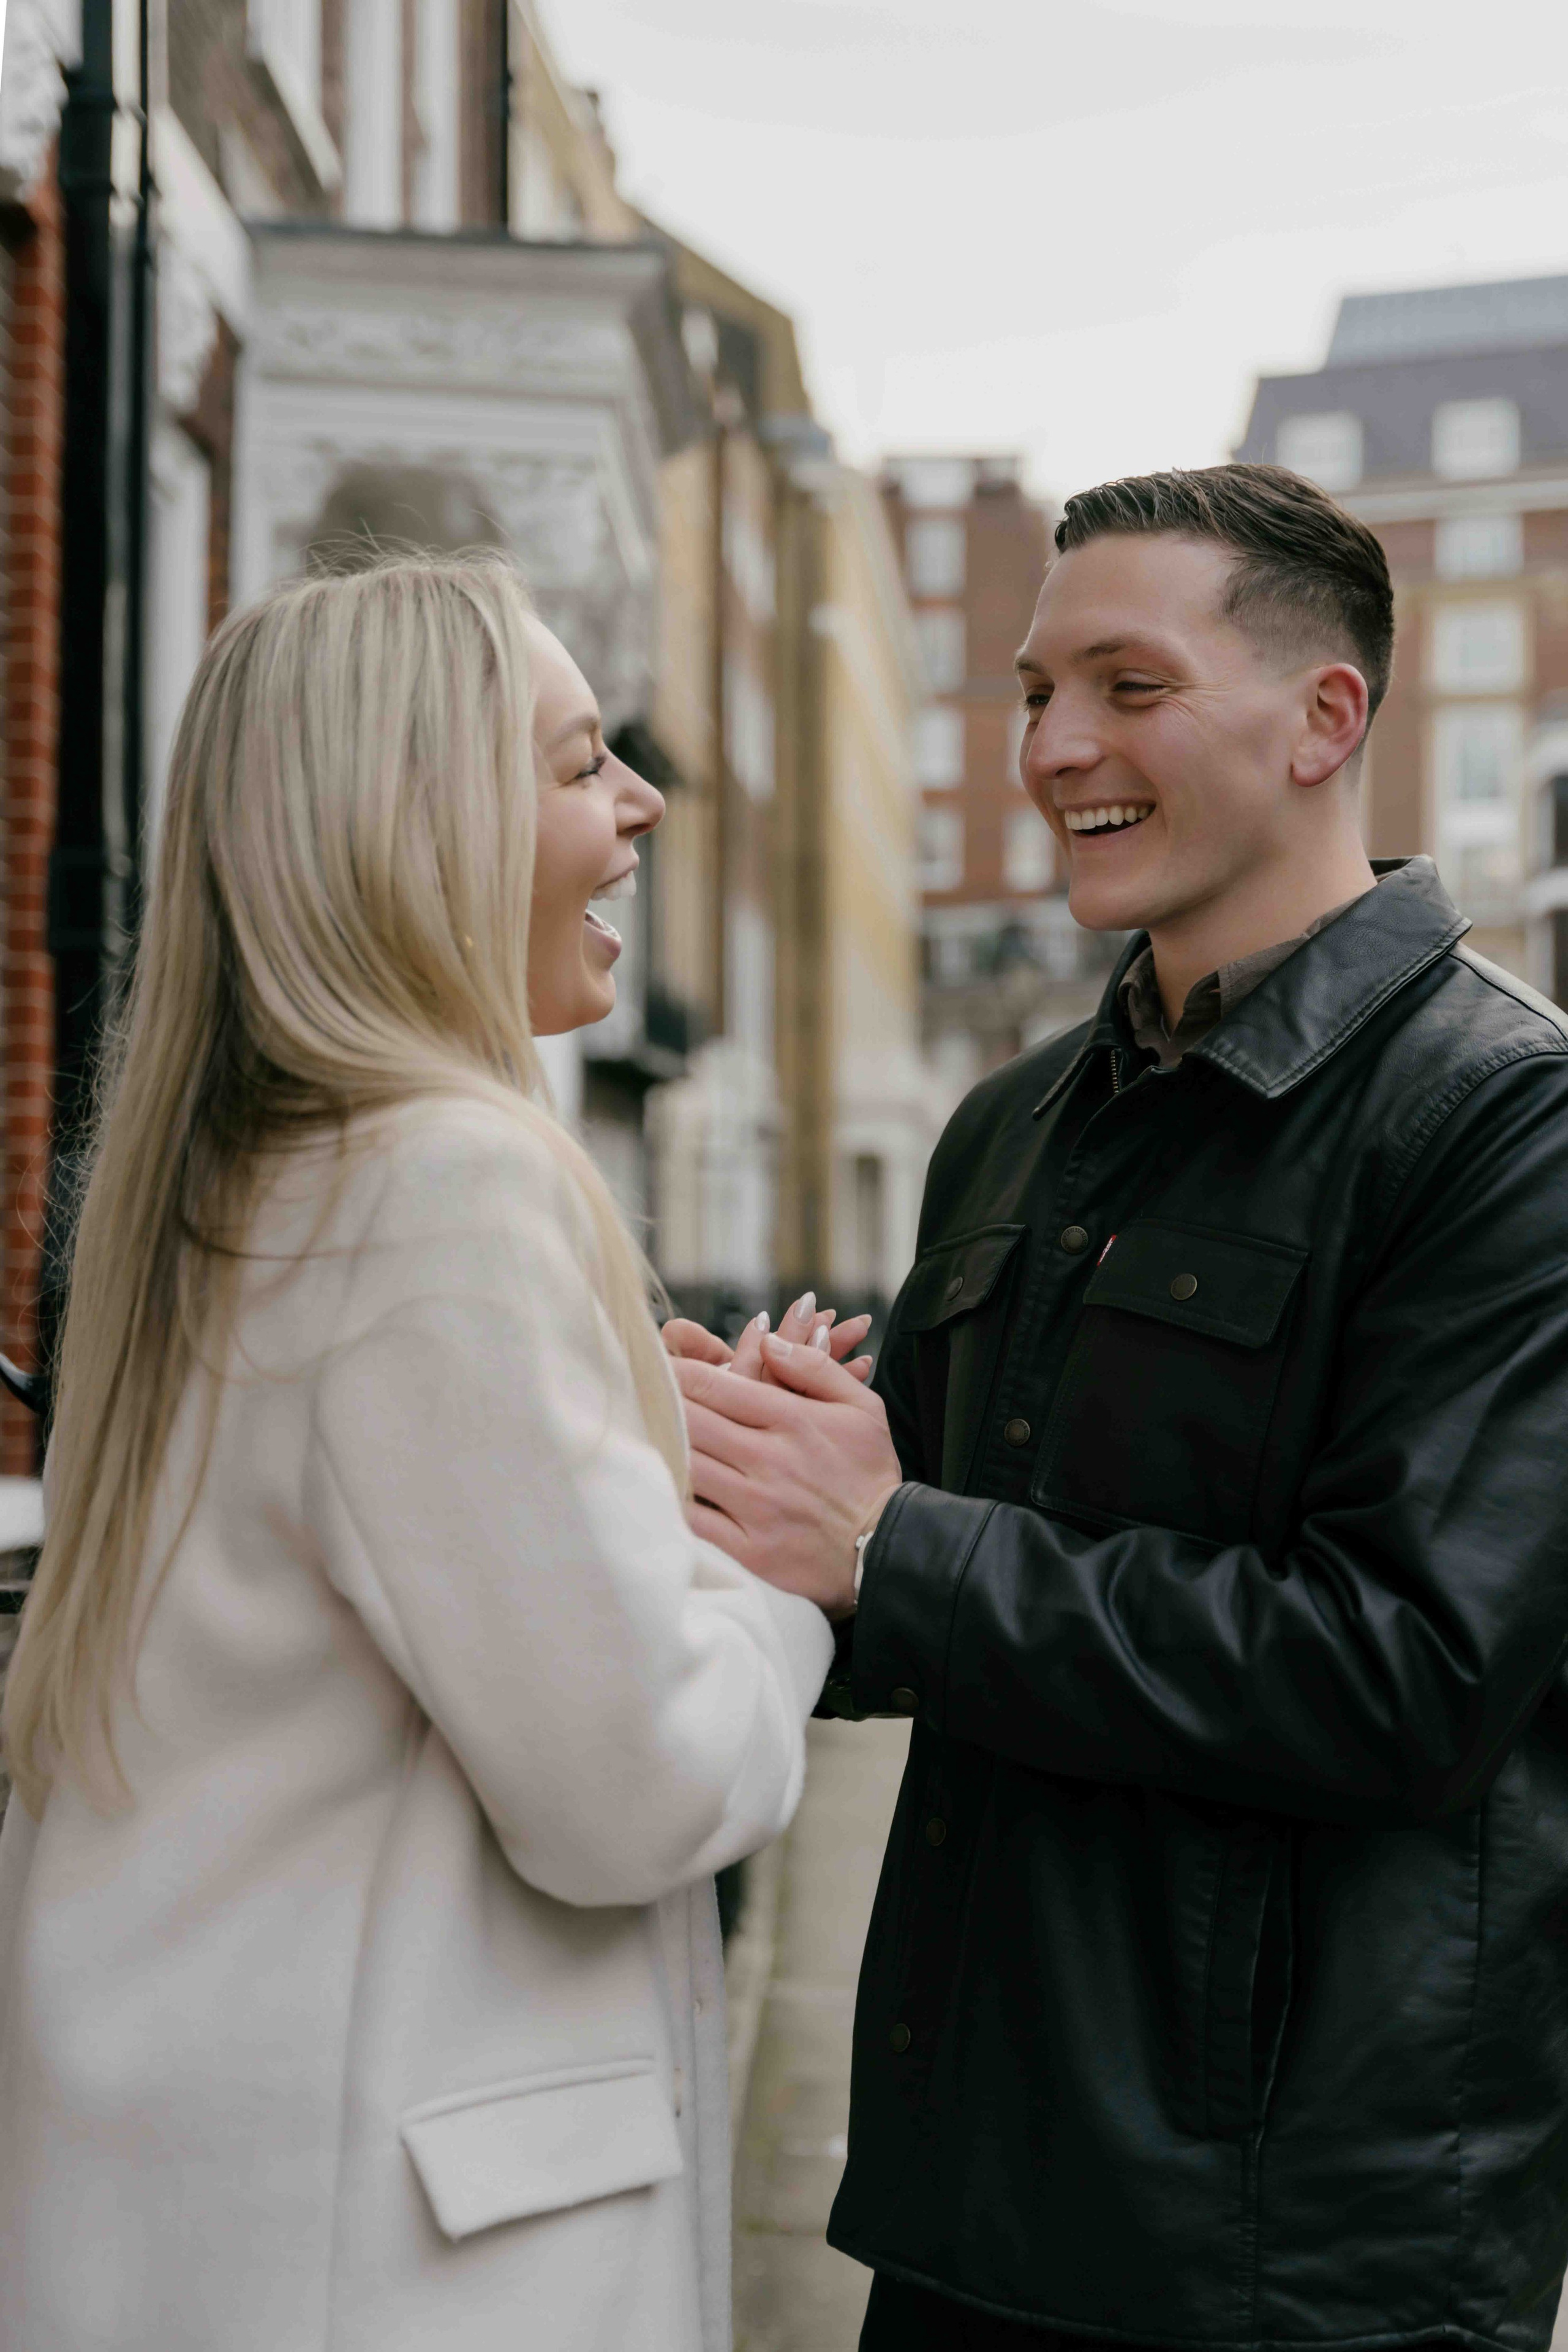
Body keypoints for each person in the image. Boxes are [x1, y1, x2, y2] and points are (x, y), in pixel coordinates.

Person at [671, 466, 1568, 2352]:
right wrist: (756, 1465)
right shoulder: (1011, 1126)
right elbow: (872, 1595)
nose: (1054, 746)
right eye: (1031, 692)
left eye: (1128, 688)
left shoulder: (1508, 1123)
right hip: (965, 2187)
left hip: (1300, 2248)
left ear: (1331, 719)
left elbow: (1403, 1673)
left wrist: (891, 1542)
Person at [0, 553, 841, 2352]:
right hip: (405, 2261)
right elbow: (639, 1787)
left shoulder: (224, 1192)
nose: (642, 799)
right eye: (571, 763)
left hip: (217, 2217)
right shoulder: (443, 1184)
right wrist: (782, 1566)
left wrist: (625, 1458)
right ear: (418, 827)